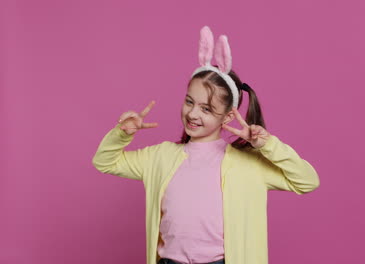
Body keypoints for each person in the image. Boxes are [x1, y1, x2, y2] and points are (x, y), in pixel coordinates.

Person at [92, 25, 320, 264]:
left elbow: (307, 181)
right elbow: (105, 162)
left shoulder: (248, 164)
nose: (193, 114)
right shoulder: (159, 156)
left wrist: (268, 145)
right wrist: (122, 134)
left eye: (206, 109)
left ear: (228, 116)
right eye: (190, 102)